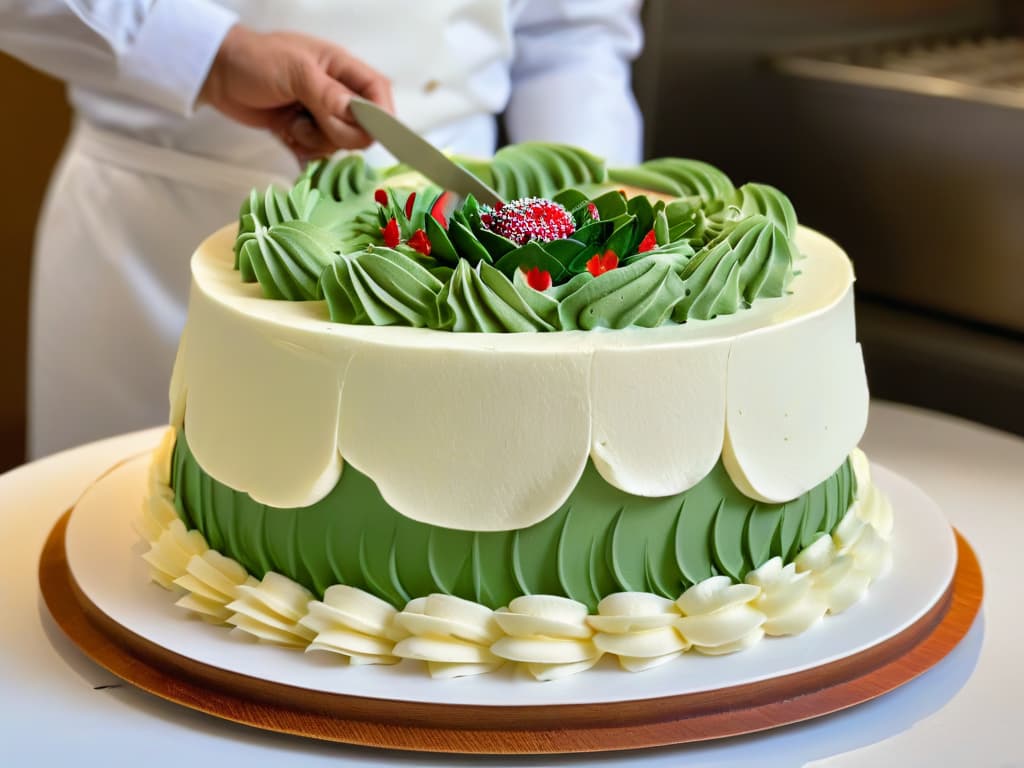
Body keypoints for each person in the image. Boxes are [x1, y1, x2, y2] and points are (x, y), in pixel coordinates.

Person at [0, 1, 644, 459]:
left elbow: (574, 34)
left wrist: (577, 215)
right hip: (152, 234)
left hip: (459, 259)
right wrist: (212, 57)